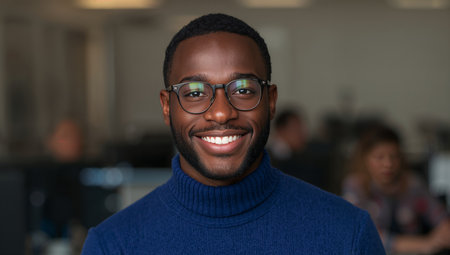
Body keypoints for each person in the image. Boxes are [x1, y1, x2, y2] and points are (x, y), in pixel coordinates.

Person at [81, 13, 385, 254]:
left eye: (242, 89)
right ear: (166, 107)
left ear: (271, 101)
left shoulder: (347, 234)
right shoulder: (113, 245)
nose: (222, 112)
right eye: (195, 92)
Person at [342, 125, 450, 254]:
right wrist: (425, 244)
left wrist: (443, 233)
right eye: (379, 157)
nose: (388, 164)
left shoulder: (413, 184)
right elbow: (367, 237)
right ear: (365, 159)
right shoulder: (355, 186)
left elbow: (440, 216)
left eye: (394, 157)